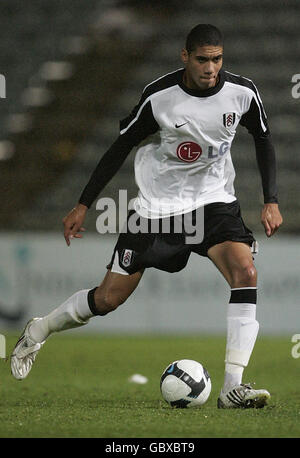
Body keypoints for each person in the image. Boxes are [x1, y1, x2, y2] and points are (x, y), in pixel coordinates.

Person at [11, 24, 282, 409]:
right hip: (157, 212)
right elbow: (120, 146)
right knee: (107, 299)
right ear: (185, 57)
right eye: (203, 59)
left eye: (217, 59)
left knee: (246, 273)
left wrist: (270, 199)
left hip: (214, 204)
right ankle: (39, 329)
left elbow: (264, 138)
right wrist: (83, 204)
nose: (210, 68)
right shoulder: (159, 98)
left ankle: (231, 388)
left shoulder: (242, 93)